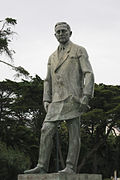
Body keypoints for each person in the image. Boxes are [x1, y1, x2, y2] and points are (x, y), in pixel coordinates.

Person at [24, 22, 94, 174]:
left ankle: (70, 167)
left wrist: (86, 95)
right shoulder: (52, 57)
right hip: (55, 100)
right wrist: (46, 99)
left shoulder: (78, 50)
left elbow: (88, 73)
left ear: (70, 32)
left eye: (64, 31)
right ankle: (42, 166)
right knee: (46, 130)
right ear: (55, 35)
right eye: (58, 32)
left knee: (74, 133)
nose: (61, 34)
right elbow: (47, 79)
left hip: (73, 98)